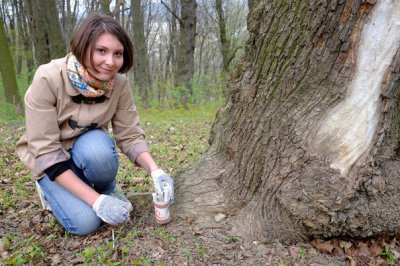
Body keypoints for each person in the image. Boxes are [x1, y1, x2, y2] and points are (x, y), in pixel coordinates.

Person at [16, 13, 174, 235]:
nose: (110, 62)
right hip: (50, 161)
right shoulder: (48, 78)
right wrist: (97, 203)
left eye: (117, 53)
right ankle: (52, 190)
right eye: (101, 51)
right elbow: (46, 152)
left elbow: (130, 135)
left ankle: (107, 190)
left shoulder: (119, 84)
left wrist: (156, 171)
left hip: (87, 151)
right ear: (83, 46)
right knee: (85, 224)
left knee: (98, 148)